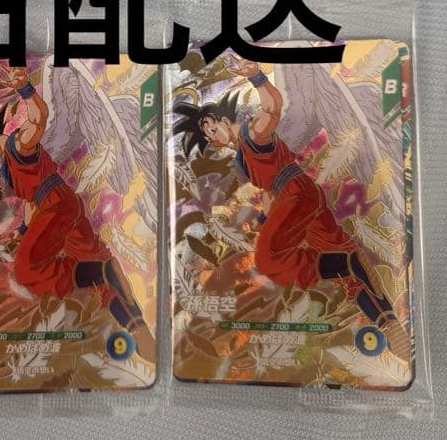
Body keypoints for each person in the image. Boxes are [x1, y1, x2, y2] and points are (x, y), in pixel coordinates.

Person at [172, 55, 407, 355]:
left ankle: (345, 265)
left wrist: (256, 76)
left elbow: (273, 107)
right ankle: (386, 320)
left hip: (296, 195)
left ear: (224, 119)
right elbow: (268, 196)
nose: (213, 138)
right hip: (299, 197)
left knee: (269, 259)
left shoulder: (253, 132)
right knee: (344, 263)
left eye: (212, 128)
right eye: (208, 137)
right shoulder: (243, 155)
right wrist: (262, 221)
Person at [0, 66, 156, 361]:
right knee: (97, 278)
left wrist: (25, 88)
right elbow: (29, 204)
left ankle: (103, 271)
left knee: (27, 270)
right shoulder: (8, 165)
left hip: (56, 205)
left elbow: (38, 118)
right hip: (60, 206)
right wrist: (24, 231)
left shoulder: (17, 144)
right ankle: (137, 327)